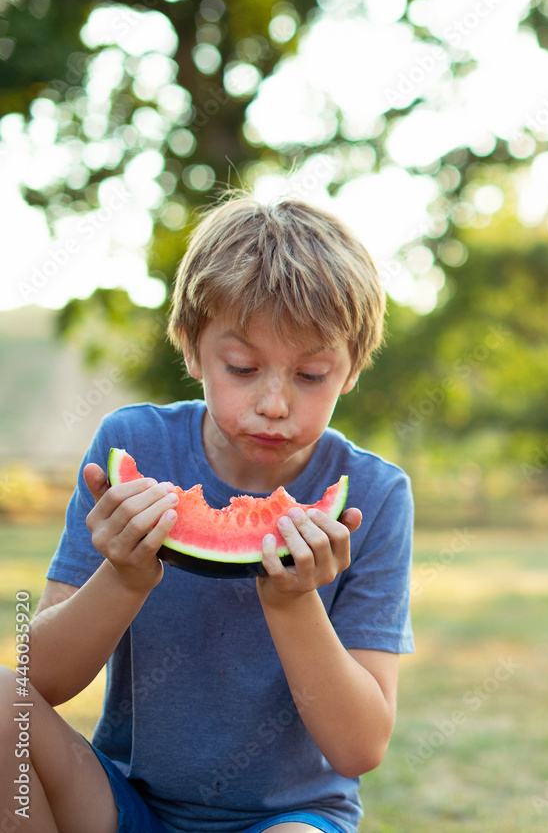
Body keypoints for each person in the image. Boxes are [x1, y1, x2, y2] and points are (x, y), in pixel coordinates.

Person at [1, 195, 414, 833]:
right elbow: (42, 681)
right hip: (123, 803)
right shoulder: (133, 446)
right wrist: (125, 576)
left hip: (291, 817)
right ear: (193, 352)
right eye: (242, 368)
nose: (274, 402)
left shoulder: (374, 496)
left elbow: (361, 747)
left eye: (310, 375)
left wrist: (292, 600)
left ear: (352, 370)